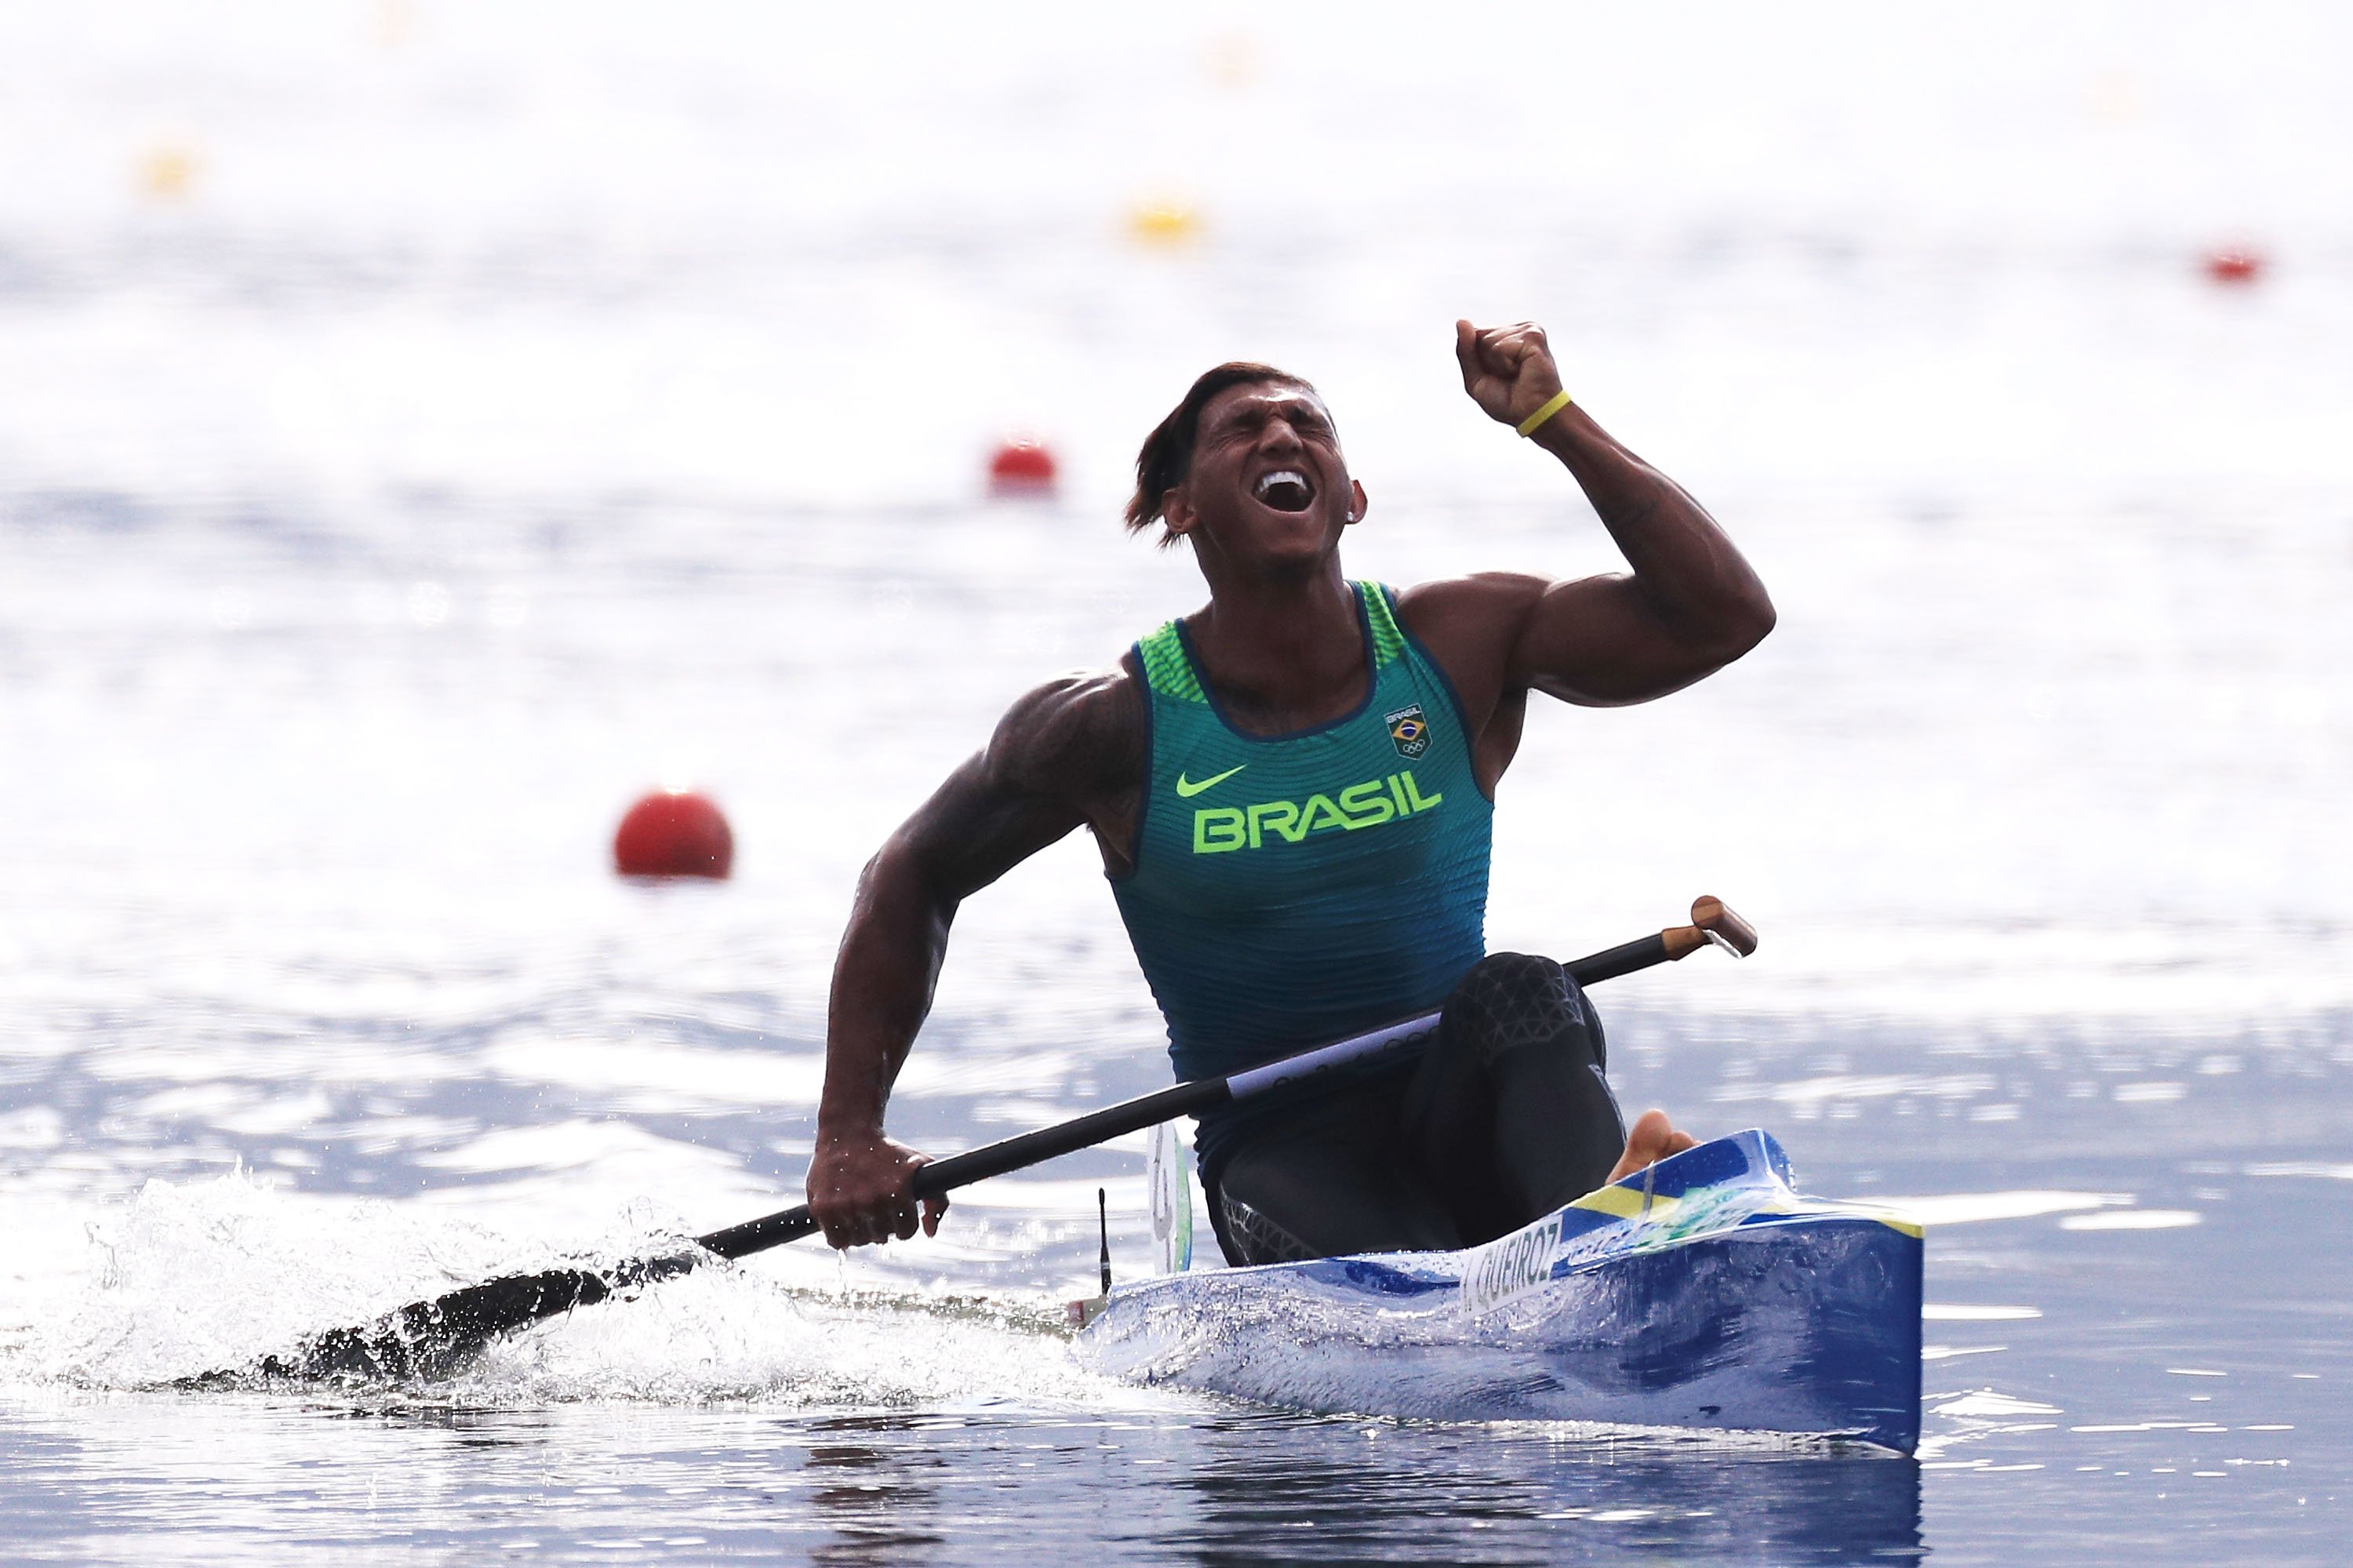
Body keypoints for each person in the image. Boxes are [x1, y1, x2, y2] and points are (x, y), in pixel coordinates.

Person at [807, 319, 1775, 1264]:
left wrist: (1554, 417)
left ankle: (1605, 1241)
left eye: (1308, 427)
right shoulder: (1111, 727)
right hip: (1280, 1148)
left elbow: (1724, 616)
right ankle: (1572, 1246)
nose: (1281, 436)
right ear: (1180, 507)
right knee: (1381, 1246)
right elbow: (910, 873)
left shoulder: (1460, 644)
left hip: (1461, 1108)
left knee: (1524, 987)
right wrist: (850, 1134)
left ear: (1350, 497)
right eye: (1243, 430)